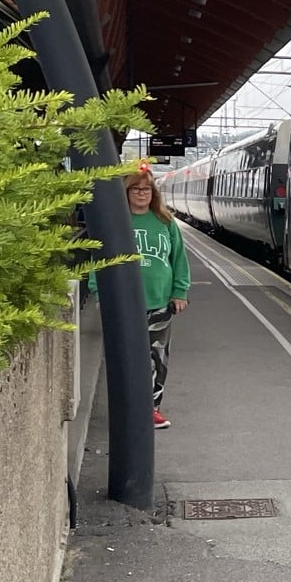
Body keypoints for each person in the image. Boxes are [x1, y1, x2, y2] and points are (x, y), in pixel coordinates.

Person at [92, 166, 191, 430]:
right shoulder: (116, 223)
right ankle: (127, 410)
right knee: (125, 358)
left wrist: (180, 292)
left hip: (159, 302)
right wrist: (98, 290)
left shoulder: (165, 222)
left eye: (146, 189)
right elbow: (100, 258)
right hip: (123, 304)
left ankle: (152, 409)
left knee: (157, 358)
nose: (141, 194)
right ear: (126, 193)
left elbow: (179, 259)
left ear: (153, 193)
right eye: (135, 189)